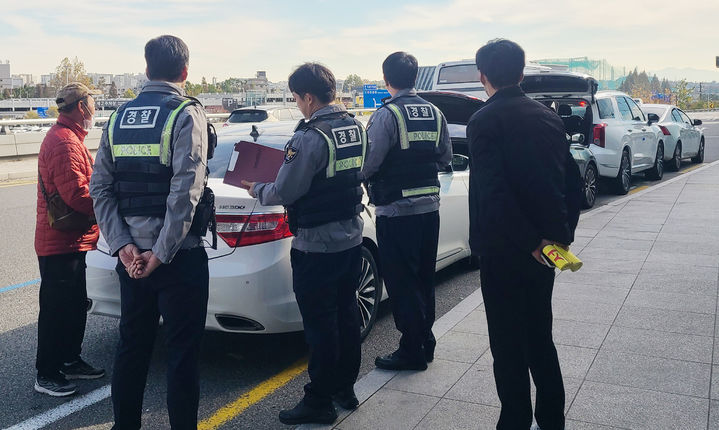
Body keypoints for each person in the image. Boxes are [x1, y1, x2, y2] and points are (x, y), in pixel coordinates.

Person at [90, 35, 210, 430]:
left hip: (132, 261)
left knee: (131, 347)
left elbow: (101, 188)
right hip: (177, 258)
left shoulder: (119, 117)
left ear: (146, 69)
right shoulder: (185, 113)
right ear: (185, 72)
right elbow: (185, 192)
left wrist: (124, 247)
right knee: (181, 353)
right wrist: (159, 253)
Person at [467, 39, 583, 430]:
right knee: (540, 338)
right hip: (546, 251)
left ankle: (514, 421)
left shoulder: (483, 121)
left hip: (504, 252)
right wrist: (559, 237)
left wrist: (532, 242)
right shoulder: (548, 117)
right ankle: (552, 420)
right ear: (521, 72)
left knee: (507, 344)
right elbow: (571, 182)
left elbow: (494, 194)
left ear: (482, 75)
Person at [242, 63, 366, 426]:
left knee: (320, 325)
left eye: (296, 98)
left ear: (308, 97)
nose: (297, 104)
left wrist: (257, 189)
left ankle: (320, 401)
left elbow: (286, 190)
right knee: (346, 316)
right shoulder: (355, 127)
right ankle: (345, 388)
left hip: (317, 245)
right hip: (351, 238)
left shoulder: (310, 137)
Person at [362, 52, 451, 371]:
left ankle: (411, 350)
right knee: (424, 279)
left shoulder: (387, 116)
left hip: (396, 212)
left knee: (402, 283)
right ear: (415, 78)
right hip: (430, 209)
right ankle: (425, 341)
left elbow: (368, 163)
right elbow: (444, 157)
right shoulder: (435, 112)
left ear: (386, 79)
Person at [34, 82, 104, 397]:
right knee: (56, 310)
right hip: (59, 242)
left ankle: (70, 360)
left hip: (70, 240)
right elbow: (77, 194)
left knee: (74, 306)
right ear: (80, 107)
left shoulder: (70, 137)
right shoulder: (64, 141)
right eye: (92, 103)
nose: (94, 109)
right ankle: (47, 373)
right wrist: (109, 205)